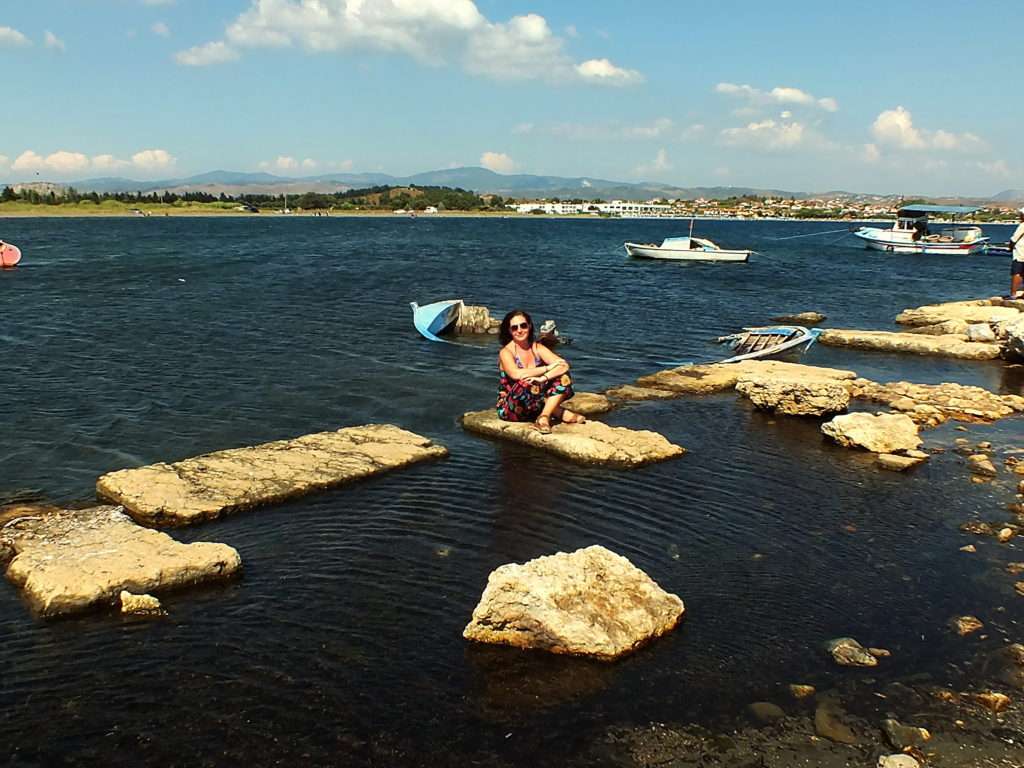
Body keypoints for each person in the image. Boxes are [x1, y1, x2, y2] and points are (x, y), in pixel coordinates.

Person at [496, 309, 585, 433]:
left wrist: (543, 378)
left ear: (529, 326)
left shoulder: (537, 348)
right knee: (525, 381)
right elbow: (515, 374)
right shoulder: (506, 352)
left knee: (563, 376)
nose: (520, 330)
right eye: (514, 328)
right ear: (509, 331)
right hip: (512, 408)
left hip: (533, 403)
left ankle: (544, 417)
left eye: (523, 325)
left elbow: (563, 365)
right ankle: (556, 411)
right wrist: (546, 368)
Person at [1010, 207, 1024, 299]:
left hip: (1020, 252)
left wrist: (1010, 247)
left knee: (1017, 273)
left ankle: (1013, 294)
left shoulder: (1022, 225)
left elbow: (1014, 239)